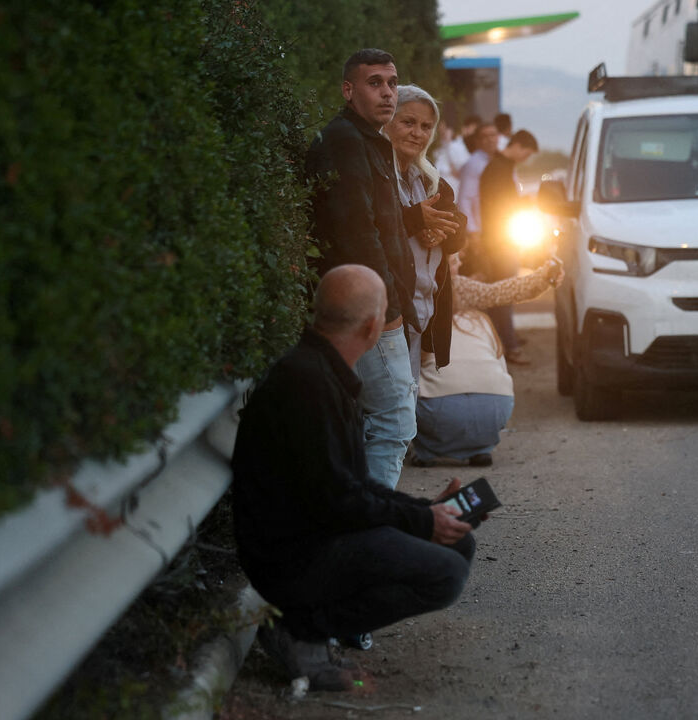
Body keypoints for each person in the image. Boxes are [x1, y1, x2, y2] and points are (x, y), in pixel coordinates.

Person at [232, 265, 476, 691]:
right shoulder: (309, 384)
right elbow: (341, 500)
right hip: (293, 558)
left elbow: (352, 488)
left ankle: (312, 627)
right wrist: (421, 520)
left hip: (316, 534)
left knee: (458, 542)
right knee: (446, 574)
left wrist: (426, 511)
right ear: (372, 326)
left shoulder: (321, 372)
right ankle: (300, 630)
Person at [305, 48, 416, 489]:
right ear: (348, 91)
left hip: (373, 305)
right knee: (394, 421)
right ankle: (374, 519)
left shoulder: (368, 140)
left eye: (392, 83)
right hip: (368, 309)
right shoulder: (345, 140)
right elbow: (356, 231)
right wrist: (384, 309)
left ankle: (362, 513)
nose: (388, 93)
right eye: (375, 83)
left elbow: (380, 223)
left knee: (371, 422)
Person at [412, 257, 564, 467]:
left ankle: (426, 450)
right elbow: (499, 293)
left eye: (459, 259)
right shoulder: (462, 302)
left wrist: (542, 278)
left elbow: (500, 292)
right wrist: (543, 277)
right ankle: (479, 447)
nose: (459, 265)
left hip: (436, 406)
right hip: (496, 403)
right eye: (453, 261)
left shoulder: (458, 286)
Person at [382, 85, 466, 381]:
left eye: (426, 126)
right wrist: (416, 220)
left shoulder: (431, 182)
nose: (417, 133)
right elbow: (368, 230)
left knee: (407, 399)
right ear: (387, 122)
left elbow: (458, 233)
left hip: (421, 319)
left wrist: (442, 231)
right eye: (408, 122)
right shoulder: (376, 177)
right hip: (387, 322)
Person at [477, 129, 539, 364]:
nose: (526, 159)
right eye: (527, 154)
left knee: (502, 293)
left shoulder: (500, 167)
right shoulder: (498, 169)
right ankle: (508, 345)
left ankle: (504, 341)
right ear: (518, 146)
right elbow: (498, 206)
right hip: (499, 241)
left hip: (499, 239)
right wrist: (522, 203)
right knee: (504, 293)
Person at [454, 122, 502, 268]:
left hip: (498, 228)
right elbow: (465, 199)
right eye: (485, 136)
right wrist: (473, 232)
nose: (490, 139)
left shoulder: (500, 160)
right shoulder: (473, 163)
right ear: (478, 141)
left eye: (493, 135)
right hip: (481, 230)